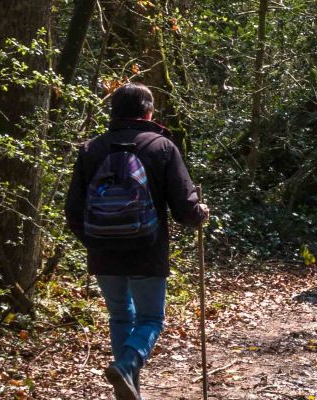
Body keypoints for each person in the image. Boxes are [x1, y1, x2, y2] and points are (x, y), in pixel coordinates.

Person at [66, 82, 210, 400]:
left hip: (103, 252)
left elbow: (73, 212)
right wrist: (201, 212)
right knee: (150, 318)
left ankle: (128, 386)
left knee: (119, 316)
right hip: (147, 250)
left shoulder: (91, 149)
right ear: (148, 112)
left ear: (114, 112)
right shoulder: (160, 147)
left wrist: (96, 240)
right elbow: (186, 210)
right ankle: (128, 365)